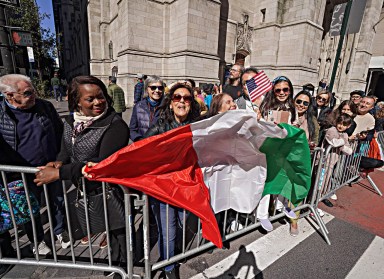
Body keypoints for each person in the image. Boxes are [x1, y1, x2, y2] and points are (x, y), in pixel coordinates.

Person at [34, 76, 130, 278]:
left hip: (110, 188)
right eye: (91, 99)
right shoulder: (70, 121)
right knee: (99, 224)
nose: (98, 102)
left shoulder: (116, 125)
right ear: (77, 101)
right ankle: (113, 262)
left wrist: (60, 173)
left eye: (101, 97)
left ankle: (123, 267)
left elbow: (101, 162)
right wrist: (59, 161)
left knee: (118, 231)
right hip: (84, 186)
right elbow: (65, 150)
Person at [0, 74, 66, 275]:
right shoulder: (1, 112)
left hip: (49, 167)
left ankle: (59, 231)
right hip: (18, 175)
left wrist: (59, 159)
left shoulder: (45, 106)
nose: (34, 95)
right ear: (10, 96)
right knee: (30, 210)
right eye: (28, 93)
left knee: (57, 200)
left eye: (34, 90)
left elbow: (60, 132)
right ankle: (37, 241)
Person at [144, 82, 200, 279]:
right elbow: (141, 151)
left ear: (192, 104)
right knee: (167, 231)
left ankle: (173, 254)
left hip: (186, 187)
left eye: (187, 98)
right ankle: (169, 268)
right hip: (165, 190)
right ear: (170, 103)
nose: (182, 102)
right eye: (177, 98)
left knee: (181, 224)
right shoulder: (159, 127)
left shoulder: (197, 127)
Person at [290, 90, 320, 235]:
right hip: (284, 158)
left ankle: (294, 221)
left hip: (302, 159)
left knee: (298, 190)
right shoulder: (287, 114)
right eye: (299, 101)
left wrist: (311, 144)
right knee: (280, 189)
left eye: (305, 103)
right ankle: (273, 214)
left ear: (309, 106)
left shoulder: (312, 120)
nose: (301, 105)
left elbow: (315, 139)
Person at [129, 75, 164, 142]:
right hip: (143, 145)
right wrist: (138, 139)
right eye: (153, 88)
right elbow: (132, 129)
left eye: (160, 88)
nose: (157, 90)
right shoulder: (138, 106)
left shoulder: (167, 106)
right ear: (146, 89)